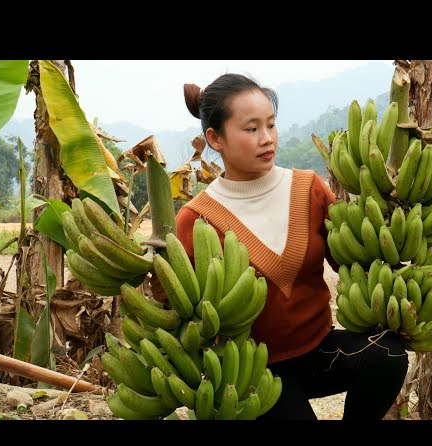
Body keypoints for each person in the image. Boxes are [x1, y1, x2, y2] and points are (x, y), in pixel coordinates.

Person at [154, 73, 408, 420]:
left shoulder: (309, 189)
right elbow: (179, 310)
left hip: (319, 348)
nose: (267, 139)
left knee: (389, 356)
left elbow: (354, 264)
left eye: (270, 125)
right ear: (215, 138)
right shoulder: (196, 221)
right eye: (251, 129)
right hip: (252, 371)